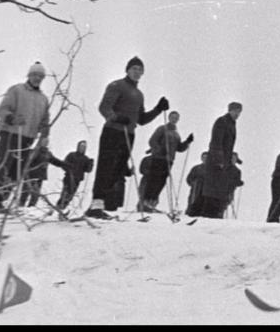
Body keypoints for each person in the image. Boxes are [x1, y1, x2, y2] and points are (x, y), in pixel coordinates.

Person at [85, 57, 169, 219]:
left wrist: (158, 109)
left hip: (129, 134)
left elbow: (141, 119)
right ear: (127, 70)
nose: (137, 72)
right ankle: (96, 204)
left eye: (140, 69)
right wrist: (114, 117)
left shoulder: (139, 94)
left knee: (118, 170)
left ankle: (101, 204)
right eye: (134, 69)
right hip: (113, 131)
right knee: (106, 166)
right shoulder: (117, 85)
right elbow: (104, 107)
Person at [0, 62, 50, 213]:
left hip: (28, 139)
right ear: (29, 75)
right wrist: (12, 118)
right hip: (10, 135)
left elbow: (45, 121)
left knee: (15, 173)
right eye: (35, 75)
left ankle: (0, 202)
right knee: (1, 167)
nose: (37, 78)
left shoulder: (43, 99)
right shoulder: (16, 90)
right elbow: (2, 110)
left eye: (40, 76)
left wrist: (45, 134)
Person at [138, 110, 193, 212]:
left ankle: (152, 202)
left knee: (161, 181)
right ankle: (145, 201)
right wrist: (159, 149)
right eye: (173, 117)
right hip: (158, 158)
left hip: (169, 160)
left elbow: (179, 148)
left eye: (176, 118)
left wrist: (187, 142)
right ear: (169, 118)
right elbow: (152, 141)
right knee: (153, 179)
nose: (174, 119)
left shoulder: (176, 134)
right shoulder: (162, 129)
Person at [201, 102, 242, 218]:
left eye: (239, 112)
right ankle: (208, 215)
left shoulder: (232, 124)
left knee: (219, 190)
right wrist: (219, 160)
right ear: (230, 110)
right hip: (216, 161)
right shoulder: (222, 121)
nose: (237, 114)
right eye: (235, 111)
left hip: (224, 162)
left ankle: (215, 215)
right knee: (213, 190)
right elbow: (216, 142)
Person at [18, 142, 68, 208]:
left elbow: (55, 161)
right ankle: (20, 206)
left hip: (40, 176)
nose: (45, 143)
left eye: (46, 142)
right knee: (25, 192)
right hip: (30, 175)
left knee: (35, 195)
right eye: (44, 141)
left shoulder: (48, 154)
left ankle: (30, 208)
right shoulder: (34, 151)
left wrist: (64, 164)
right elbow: (26, 160)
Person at [56, 140, 94, 210]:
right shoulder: (71, 155)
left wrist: (91, 164)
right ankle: (58, 207)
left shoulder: (85, 159)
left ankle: (62, 208)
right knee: (65, 193)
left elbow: (88, 170)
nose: (82, 148)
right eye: (81, 146)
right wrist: (69, 169)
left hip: (77, 180)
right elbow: (63, 165)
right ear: (78, 146)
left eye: (84, 147)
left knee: (71, 195)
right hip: (68, 178)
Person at [185, 151, 209, 217]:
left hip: (207, 190)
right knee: (193, 201)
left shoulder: (212, 169)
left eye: (207, 157)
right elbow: (189, 179)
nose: (205, 159)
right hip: (196, 189)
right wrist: (194, 183)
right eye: (204, 157)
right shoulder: (196, 168)